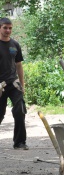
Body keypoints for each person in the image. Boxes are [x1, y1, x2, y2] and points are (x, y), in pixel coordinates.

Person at [0, 17, 28, 150]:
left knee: (20, 109)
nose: (8, 30)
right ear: (0, 28)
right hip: (0, 84)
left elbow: (19, 65)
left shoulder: (15, 45)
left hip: (13, 83)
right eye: (5, 27)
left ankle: (20, 142)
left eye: (10, 28)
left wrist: (22, 84)